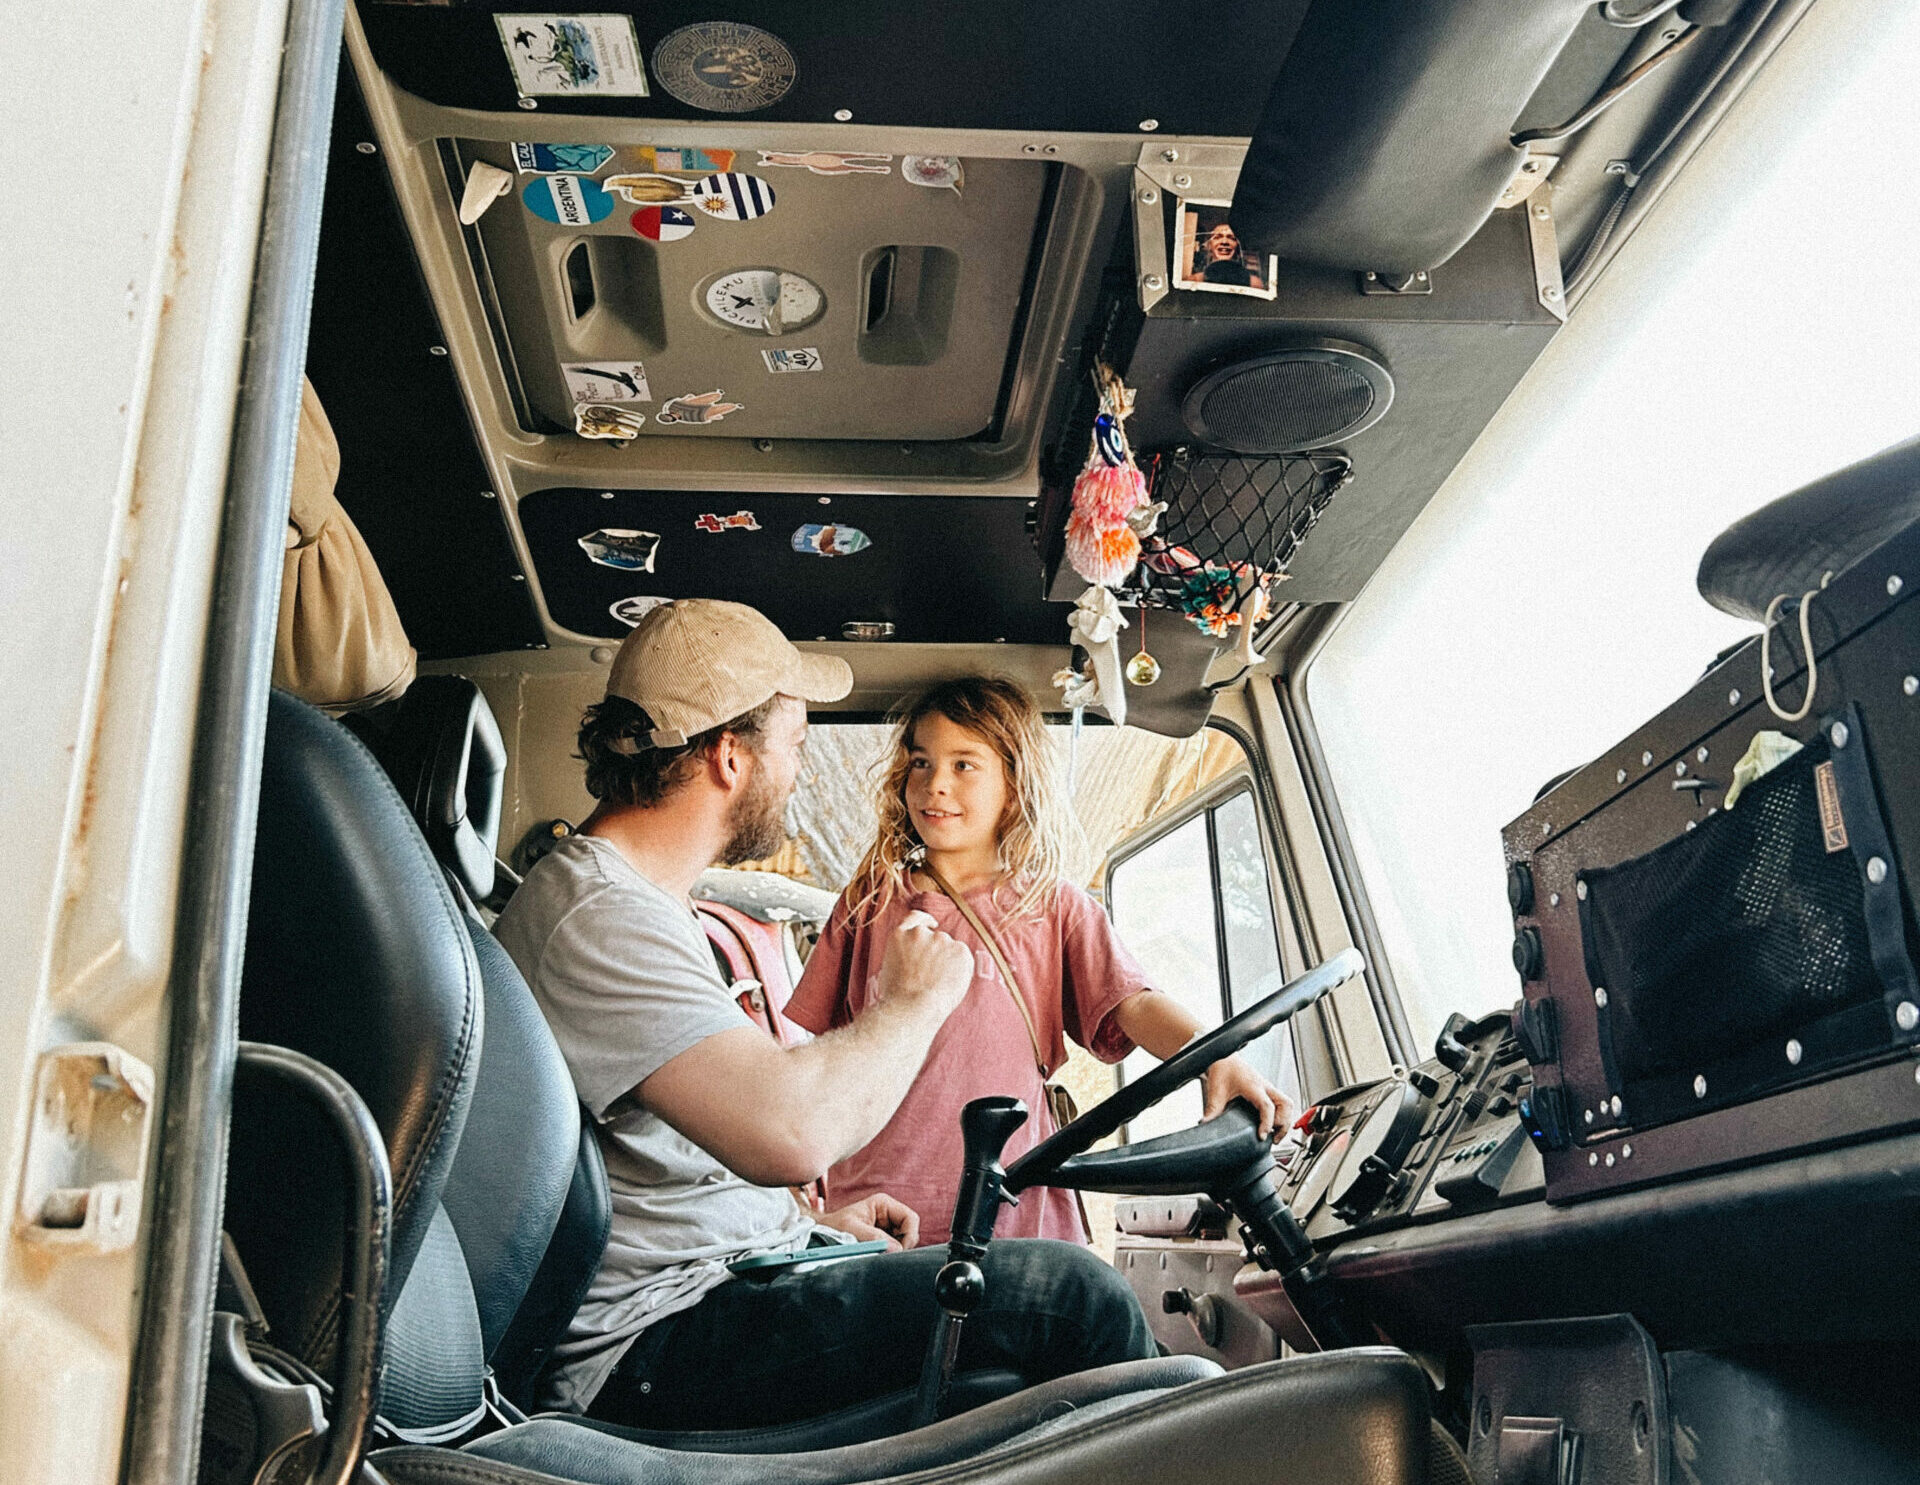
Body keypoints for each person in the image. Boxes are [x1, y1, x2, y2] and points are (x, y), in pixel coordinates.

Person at [494, 602, 1156, 1431]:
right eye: (797, 746)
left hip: (718, 1284)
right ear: (730, 757)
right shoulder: (597, 913)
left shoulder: (639, 904)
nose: (802, 775)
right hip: (657, 1342)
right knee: (1074, 1297)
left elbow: (674, 1165)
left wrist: (807, 1225)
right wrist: (914, 1000)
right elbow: (791, 1134)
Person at [785, 676, 1291, 1247]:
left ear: (1013, 785)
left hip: (1014, 1211)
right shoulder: (868, 904)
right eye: (921, 763)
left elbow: (1134, 1005)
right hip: (876, 1213)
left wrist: (1215, 1056)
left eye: (963, 765)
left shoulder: (1052, 906)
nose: (935, 784)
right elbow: (819, 1055)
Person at [1197, 219, 1253, 287]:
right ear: (1209, 244)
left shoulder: (1253, 283)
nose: (1224, 242)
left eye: (1231, 238)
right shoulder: (1195, 280)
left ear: (1238, 245)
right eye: (1217, 237)